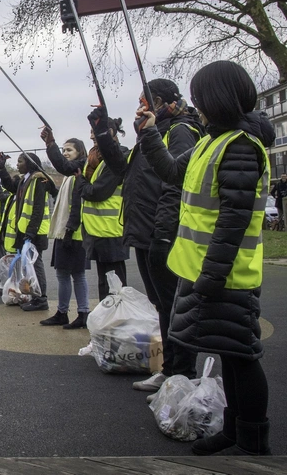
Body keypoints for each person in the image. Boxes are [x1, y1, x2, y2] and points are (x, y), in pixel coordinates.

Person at [139, 60, 273, 456]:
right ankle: (235, 429)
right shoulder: (211, 141)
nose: (195, 104)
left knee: (242, 357)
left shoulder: (241, 147)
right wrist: (149, 135)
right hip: (205, 271)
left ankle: (252, 440)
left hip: (227, 275)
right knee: (231, 356)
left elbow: (233, 220)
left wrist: (212, 275)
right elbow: (171, 172)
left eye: (199, 97)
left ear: (218, 98)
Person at [88, 79, 203, 394]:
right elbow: (122, 169)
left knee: (172, 305)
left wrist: (163, 234)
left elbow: (176, 185)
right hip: (144, 230)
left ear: (162, 102)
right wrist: (101, 130)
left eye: (144, 101)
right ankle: (170, 370)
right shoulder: (152, 132)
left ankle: (181, 373)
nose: (138, 108)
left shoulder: (178, 131)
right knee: (162, 305)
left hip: (162, 233)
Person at [43, 118, 129, 302]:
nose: (91, 135)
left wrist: (82, 184)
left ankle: (118, 322)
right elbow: (66, 168)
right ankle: (107, 321)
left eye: (95, 130)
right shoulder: (93, 159)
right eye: (90, 131)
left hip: (112, 230)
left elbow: (96, 192)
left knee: (116, 286)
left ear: (110, 132)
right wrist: (51, 143)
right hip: (96, 229)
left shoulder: (118, 156)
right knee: (105, 284)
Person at [39, 138, 90, 329]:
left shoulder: (78, 173)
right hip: (65, 232)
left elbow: (76, 204)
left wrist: (70, 229)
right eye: (64, 150)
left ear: (80, 152)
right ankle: (65, 312)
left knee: (76, 274)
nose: (66, 153)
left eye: (69, 150)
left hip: (73, 233)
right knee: (64, 274)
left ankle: (80, 312)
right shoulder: (70, 176)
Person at [0, 152, 55, 311]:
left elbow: (38, 209)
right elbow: (10, 186)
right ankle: (34, 296)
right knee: (29, 267)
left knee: (36, 265)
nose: (17, 164)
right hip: (25, 230)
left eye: (20, 161)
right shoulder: (25, 179)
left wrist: (31, 232)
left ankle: (41, 299)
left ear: (29, 163)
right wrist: (2, 168)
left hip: (34, 231)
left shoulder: (38, 180)